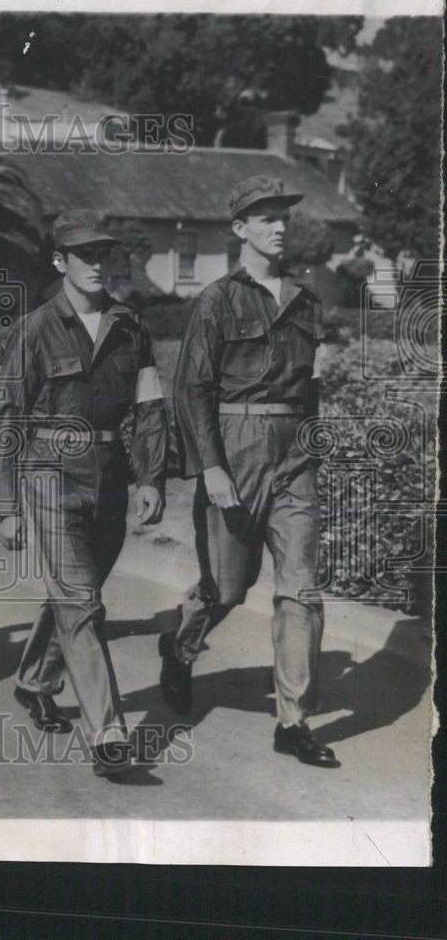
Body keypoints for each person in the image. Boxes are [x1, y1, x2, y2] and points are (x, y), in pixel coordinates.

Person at [160, 175, 339, 768]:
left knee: (301, 588)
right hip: (234, 447)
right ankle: (180, 646)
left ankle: (293, 719)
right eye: (266, 217)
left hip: (294, 455)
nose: (280, 225)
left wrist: (310, 448)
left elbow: (309, 388)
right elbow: (192, 389)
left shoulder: (306, 300)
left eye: (284, 215)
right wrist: (210, 466)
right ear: (240, 229)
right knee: (229, 587)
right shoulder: (218, 299)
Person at [0, 210, 169, 777]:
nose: (96, 264)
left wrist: (151, 477)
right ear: (60, 261)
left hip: (110, 476)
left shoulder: (129, 329)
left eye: (103, 253)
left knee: (75, 595)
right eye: (83, 255)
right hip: (47, 476)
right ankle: (108, 735)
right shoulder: (33, 330)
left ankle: (36, 679)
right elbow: (3, 418)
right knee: (83, 603)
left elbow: (151, 409)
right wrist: (6, 506)